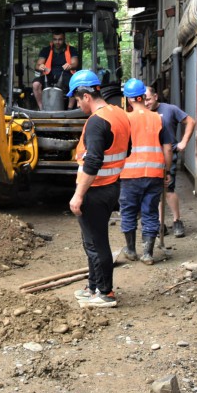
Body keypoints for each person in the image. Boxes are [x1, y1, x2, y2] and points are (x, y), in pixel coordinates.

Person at [67, 70, 131, 308]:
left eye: (76, 98)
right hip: (112, 186)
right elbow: (128, 149)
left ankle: (105, 293)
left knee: (96, 244)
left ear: (86, 96)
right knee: (92, 242)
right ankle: (93, 287)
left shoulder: (96, 121)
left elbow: (93, 161)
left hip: (95, 191)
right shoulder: (119, 114)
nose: (77, 104)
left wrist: (78, 195)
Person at [119, 79, 173, 265]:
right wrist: (167, 171)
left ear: (128, 99)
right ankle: (148, 254)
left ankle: (131, 250)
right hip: (154, 174)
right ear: (143, 96)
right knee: (150, 212)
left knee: (128, 212)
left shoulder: (125, 119)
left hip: (129, 176)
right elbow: (168, 149)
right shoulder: (159, 119)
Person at [144, 86, 196, 238]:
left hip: (168, 155)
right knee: (156, 190)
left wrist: (183, 142)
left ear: (155, 96)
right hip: (150, 155)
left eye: (148, 99)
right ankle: (160, 223)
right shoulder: (142, 113)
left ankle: (177, 221)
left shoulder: (170, 109)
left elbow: (191, 121)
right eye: (143, 100)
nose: (146, 103)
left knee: (169, 190)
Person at [32, 30, 79, 110]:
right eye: (55, 39)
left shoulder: (72, 49)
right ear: (52, 40)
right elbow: (37, 65)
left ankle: (69, 109)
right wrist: (40, 66)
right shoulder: (46, 50)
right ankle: (41, 109)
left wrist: (70, 66)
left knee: (75, 83)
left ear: (64, 39)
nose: (57, 42)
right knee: (36, 84)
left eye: (60, 39)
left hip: (65, 74)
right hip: (48, 75)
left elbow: (75, 63)